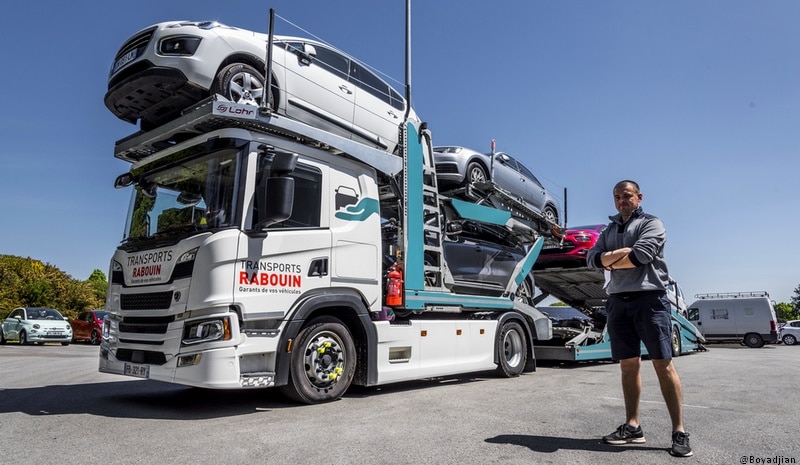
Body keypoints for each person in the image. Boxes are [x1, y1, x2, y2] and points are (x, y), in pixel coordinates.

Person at [586, 180, 692, 458]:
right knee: (628, 365)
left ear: (639, 197)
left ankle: (679, 431)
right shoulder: (608, 229)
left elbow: (641, 256)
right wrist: (615, 256)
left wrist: (609, 258)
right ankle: (633, 427)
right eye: (617, 197)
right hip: (617, 302)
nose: (622, 200)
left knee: (663, 364)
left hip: (650, 301)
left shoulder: (652, 224)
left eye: (627, 196)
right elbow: (591, 259)